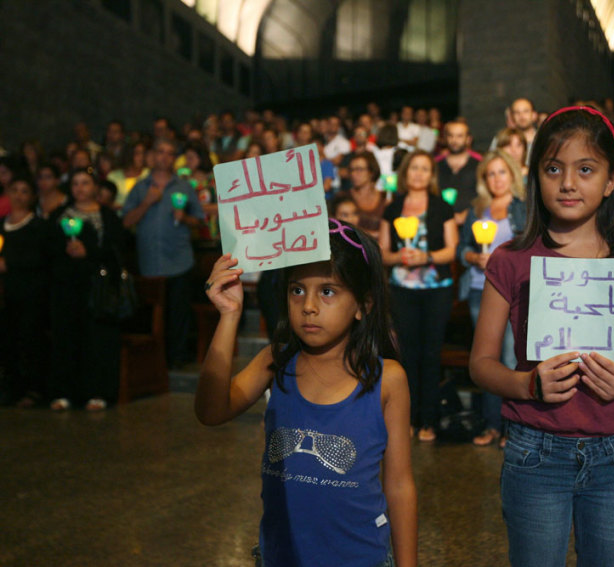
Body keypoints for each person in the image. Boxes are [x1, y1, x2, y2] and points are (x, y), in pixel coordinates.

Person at [468, 106, 614, 567]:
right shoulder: (511, 259)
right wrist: (525, 385)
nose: (567, 183)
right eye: (554, 168)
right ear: (536, 175)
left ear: (612, 180)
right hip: (535, 450)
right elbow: (481, 362)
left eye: (586, 169)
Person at [195, 220, 417, 567]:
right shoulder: (276, 361)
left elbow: (400, 485)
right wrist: (229, 315)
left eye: (327, 291)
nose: (309, 305)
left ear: (364, 305)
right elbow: (210, 411)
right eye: (297, 290)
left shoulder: (387, 379)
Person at [379, 150, 458, 442]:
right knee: (407, 356)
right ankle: (408, 419)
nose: (419, 173)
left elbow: (452, 249)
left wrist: (426, 256)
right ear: (406, 172)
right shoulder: (393, 207)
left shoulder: (441, 206)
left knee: (431, 354)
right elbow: (383, 254)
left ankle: (430, 420)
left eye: (425, 168)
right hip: (402, 289)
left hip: (437, 288)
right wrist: (400, 257)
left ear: (431, 175)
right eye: (414, 168)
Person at [457, 150, 526, 446]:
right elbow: (462, 250)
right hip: (479, 288)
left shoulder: (523, 208)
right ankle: (491, 425)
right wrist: (474, 257)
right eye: (491, 174)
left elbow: (534, 247)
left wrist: (504, 259)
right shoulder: (476, 209)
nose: (497, 179)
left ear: (512, 175)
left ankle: (512, 428)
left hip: (514, 291)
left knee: (510, 358)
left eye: (502, 172)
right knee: (486, 358)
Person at [48, 168, 126, 411]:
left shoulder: (108, 216)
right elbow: (47, 249)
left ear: (95, 186)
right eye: (75, 183)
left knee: (98, 340)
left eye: (85, 183)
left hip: (98, 289)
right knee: (66, 339)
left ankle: (98, 392)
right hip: (67, 288)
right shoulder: (59, 215)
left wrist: (89, 252)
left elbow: (118, 252)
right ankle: (64, 393)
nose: (80, 188)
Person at [122, 138, 205, 368]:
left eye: (170, 153)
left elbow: (200, 220)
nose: (164, 157)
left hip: (179, 259)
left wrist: (185, 218)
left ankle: (176, 359)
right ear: (152, 155)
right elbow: (126, 222)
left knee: (179, 313)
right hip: (150, 260)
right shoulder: (141, 187)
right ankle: (152, 362)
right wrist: (147, 202)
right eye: (160, 151)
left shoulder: (184, 187)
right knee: (152, 316)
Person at [0, 176, 50, 407]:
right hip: (6, 293)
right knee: (8, 340)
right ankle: (11, 387)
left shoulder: (37, 226)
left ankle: (33, 389)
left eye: (24, 191)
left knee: (29, 341)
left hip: (30, 293)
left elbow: (39, 258)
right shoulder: (2, 224)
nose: (18, 196)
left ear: (31, 197)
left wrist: (9, 263)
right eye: (14, 190)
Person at [436, 121, 481, 225]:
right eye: (451, 136)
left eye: (459, 136)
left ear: (468, 139)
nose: (454, 140)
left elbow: (484, 195)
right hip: (440, 222)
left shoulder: (479, 164)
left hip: (472, 223)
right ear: (445, 138)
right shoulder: (435, 164)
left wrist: (467, 214)